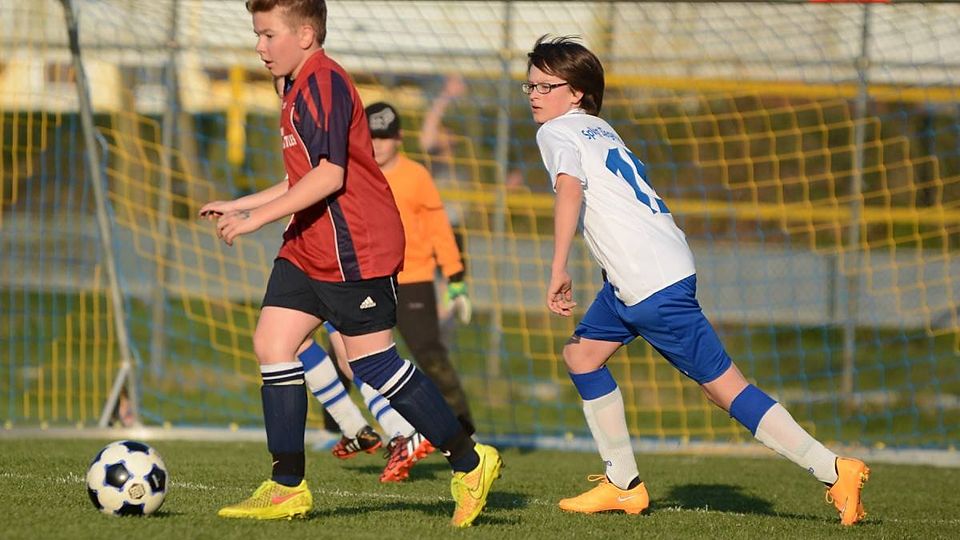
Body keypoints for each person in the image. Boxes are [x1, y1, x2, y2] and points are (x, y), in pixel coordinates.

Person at [525, 35, 869, 525]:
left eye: (546, 86)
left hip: (648, 281)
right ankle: (622, 484)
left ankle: (834, 470)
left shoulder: (557, 131)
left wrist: (558, 266)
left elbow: (569, 190)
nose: (535, 95)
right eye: (530, 86)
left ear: (576, 93)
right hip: (642, 275)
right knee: (581, 356)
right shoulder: (599, 129)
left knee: (724, 388)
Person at [199, 1, 501, 526]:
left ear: (306, 35)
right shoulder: (293, 85)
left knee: (372, 364)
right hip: (308, 244)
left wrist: (256, 219)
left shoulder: (325, 82)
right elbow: (302, 176)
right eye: (258, 35)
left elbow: (330, 176)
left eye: (269, 35)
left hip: (354, 247)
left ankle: (469, 461)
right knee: (273, 344)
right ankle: (286, 486)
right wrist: (243, 204)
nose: (259, 47)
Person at [366, 101, 476, 436]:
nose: (377, 144)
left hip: (413, 280)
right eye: (371, 137)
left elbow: (439, 229)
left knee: (430, 355)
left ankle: (463, 430)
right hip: (367, 281)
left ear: (399, 138)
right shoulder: (356, 175)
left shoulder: (417, 176)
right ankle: (349, 426)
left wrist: (455, 276)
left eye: (384, 137)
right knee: (348, 353)